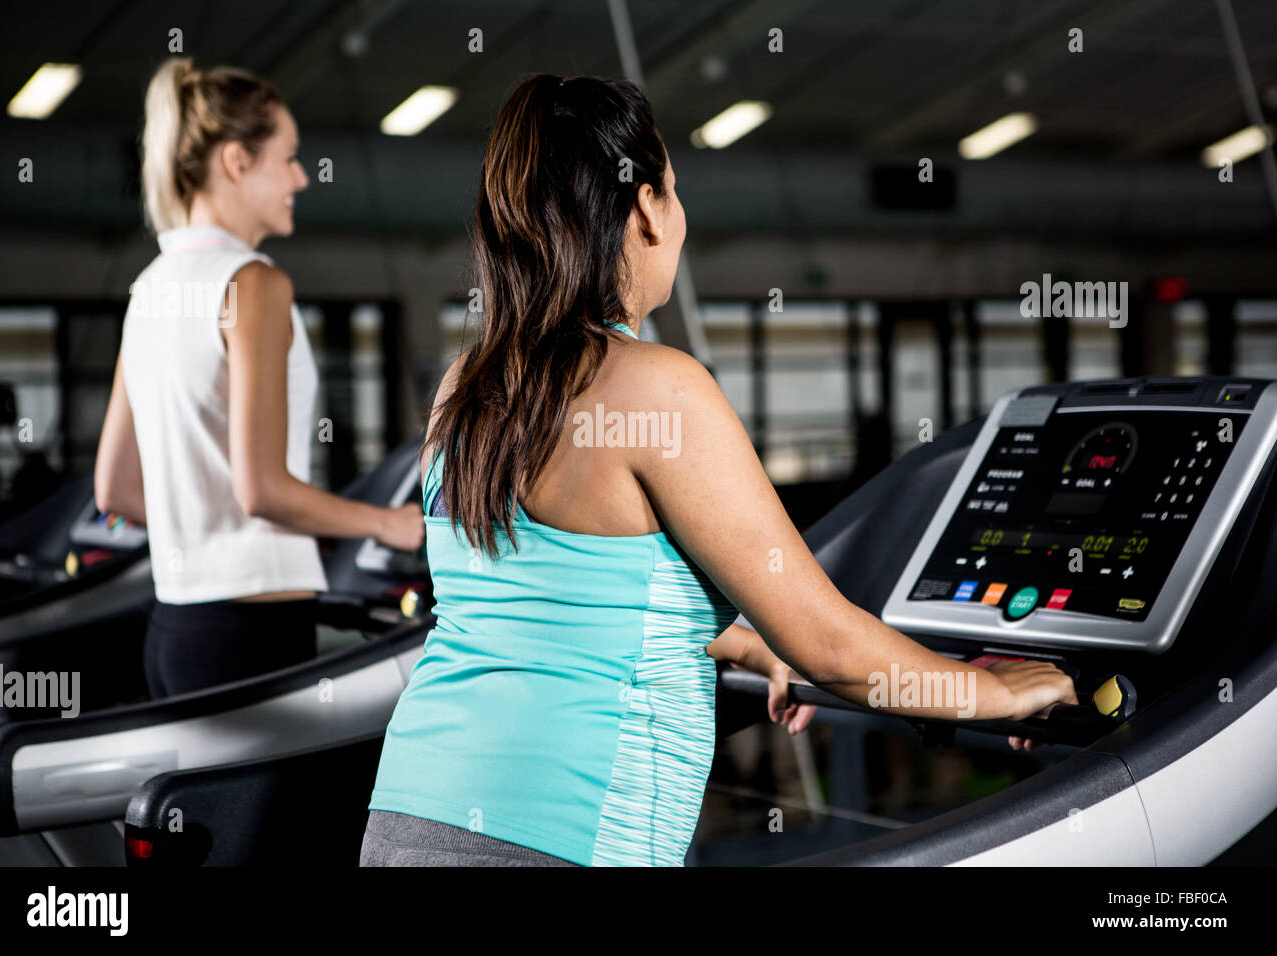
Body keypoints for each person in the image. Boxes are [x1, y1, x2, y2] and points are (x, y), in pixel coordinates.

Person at [361, 74, 1075, 868]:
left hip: (408, 816)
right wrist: (996, 692)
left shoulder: (465, 385)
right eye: (675, 190)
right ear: (644, 210)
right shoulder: (659, 385)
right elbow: (829, 646)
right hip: (559, 841)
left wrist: (737, 639)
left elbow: (549, 599)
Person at [94, 57, 423, 698]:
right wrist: (386, 524)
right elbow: (263, 490)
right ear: (237, 162)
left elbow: (113, 489)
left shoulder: (147, 290)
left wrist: (203, 526)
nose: (301, 176)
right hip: (254, 630)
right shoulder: (254, 283)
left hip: (174, 630)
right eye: (289, 157)